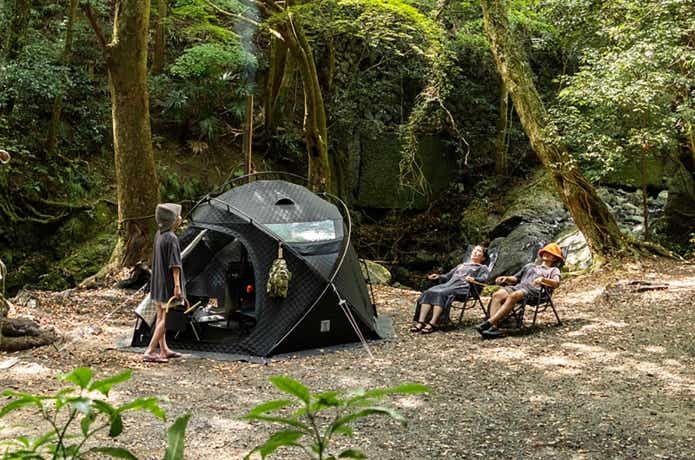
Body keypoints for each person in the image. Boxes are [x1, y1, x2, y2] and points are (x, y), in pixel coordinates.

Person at [476, 242, 563, 339]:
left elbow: (556, 283)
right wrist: (506, 278)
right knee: (497, 295)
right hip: (519, 286)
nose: (546, 254)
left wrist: (544, 280)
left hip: (535, 291)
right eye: (545, 252)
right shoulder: (530, 266)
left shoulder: (553, 270)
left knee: (514, 295)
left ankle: (489, 323)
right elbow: (516, 278)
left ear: (555, 258)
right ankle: (494, 328)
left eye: (550, 253)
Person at [411, 245, 490, 334]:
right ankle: (421, 321)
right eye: (474, 250)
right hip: (449, 285)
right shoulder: (461, 265)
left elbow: (484, 279)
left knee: (441, 293)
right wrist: (438, 277)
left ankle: (433, 323)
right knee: (429, 292)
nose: (475, 252)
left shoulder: (483, 268)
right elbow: (447, 276)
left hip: (464, 288)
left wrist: (474, 279)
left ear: (483, 258)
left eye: (479, 251)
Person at [143, 203, 186, 363]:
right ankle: (149, 351)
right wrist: (177, 286)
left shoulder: (159, 234)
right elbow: (175, 266)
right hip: (167, 285)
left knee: (160, 316)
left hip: (157, 283)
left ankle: (164, 350)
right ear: (172, 220)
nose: (180, 218)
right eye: (177, 216)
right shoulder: (172, 238)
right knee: (165, 320)